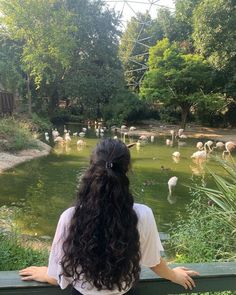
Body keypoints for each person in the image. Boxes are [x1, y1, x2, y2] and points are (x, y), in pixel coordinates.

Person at [19, 138, 199, 294]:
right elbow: (154, 262)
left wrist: (46, 274)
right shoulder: (143, 214)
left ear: (91, 166)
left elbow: (58, 275)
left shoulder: (70, 217)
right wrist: (174, 275)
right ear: (127, 169)